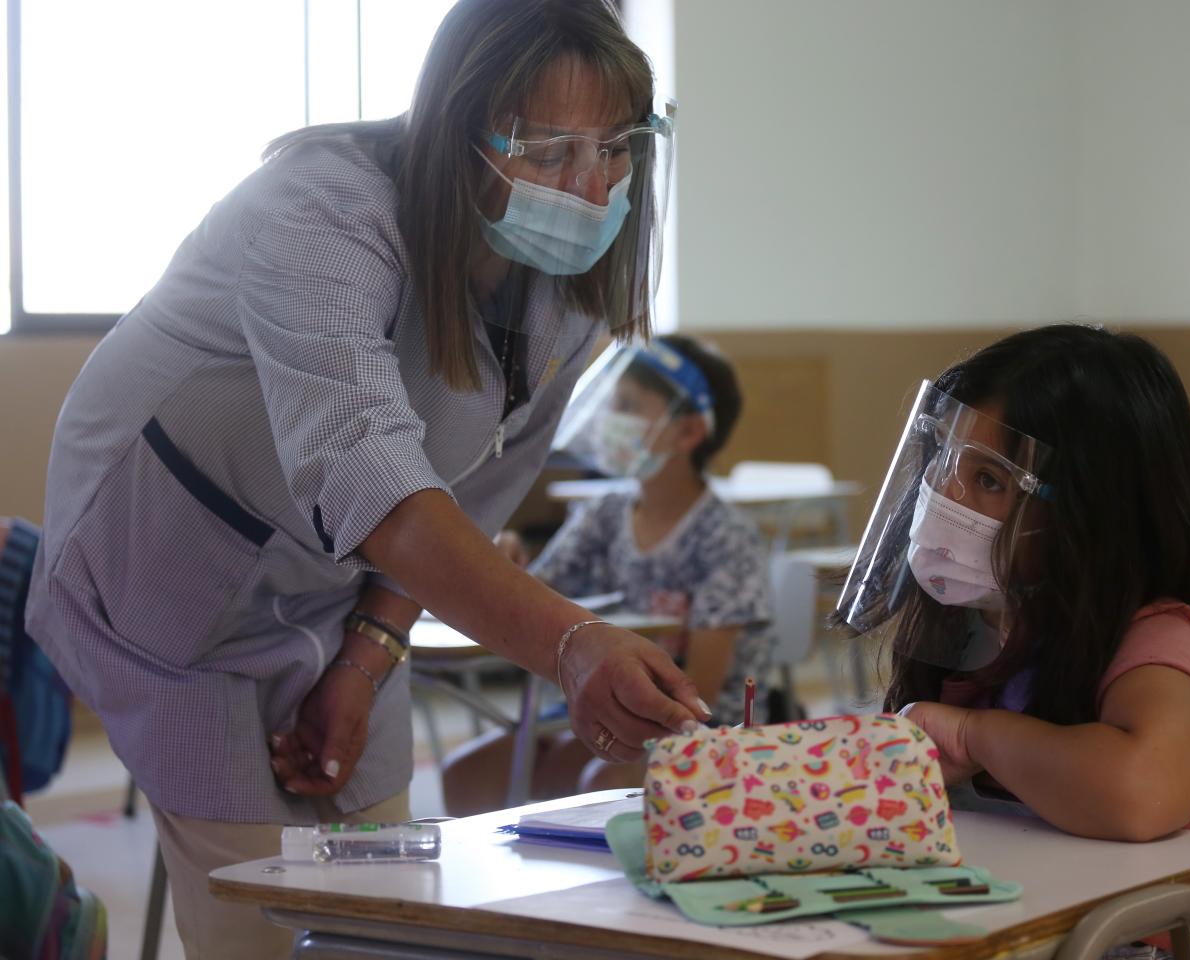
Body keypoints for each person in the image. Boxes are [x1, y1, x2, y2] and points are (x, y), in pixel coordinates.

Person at [23, 2, 704, 955]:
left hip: (336, 591)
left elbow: (475, 486)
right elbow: (365, 467)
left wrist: (369, 650)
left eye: (617, 149)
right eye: (549, 151)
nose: (590, 189)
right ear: (459, 129)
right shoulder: (321, 209)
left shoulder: (564, 283)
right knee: (266, 913)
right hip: (162, 577)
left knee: (389, 905)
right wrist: (572, 644)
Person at [836, 325, 1190, 957]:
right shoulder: (983, 630)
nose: (946, 499)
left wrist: (971, 736)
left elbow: (1140, 793)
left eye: (989, 482)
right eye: (946, 465)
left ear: (1095, 510)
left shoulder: (1158, 638)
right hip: (1033, 924)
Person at [444, 335, 775, 815]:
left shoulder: (726, 536)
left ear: (688, 433)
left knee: (599, 780)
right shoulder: (606, 513)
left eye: (629, 407)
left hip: (707, 731)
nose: (610, 421)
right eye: (612, 403)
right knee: (466, 773)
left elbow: (697, 690)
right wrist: (508, 564)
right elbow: (534, 594)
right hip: (608, 708)